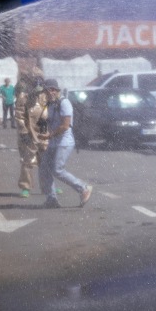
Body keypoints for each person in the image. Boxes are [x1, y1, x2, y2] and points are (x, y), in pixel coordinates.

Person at [37, 79, 92, 208]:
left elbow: (65, 126)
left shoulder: (64, 103)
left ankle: (83, 188)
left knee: (57, 169)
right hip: (53, 141)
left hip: (64, 142)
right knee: (44, 168)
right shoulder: (49, 104)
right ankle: (51, 199)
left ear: (55, 90)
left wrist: (49, 135)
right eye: (46, 91)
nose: (47, 93)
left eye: (50, 90)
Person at [15, 68, 49, 198]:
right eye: (35, 79)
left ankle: (48, 186)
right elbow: (19, 116)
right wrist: (23, 132)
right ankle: (25, 187)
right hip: (29, 133)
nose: (38, 82)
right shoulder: (23, 97)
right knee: (27, 161)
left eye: (39, 79)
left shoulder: (45, 96)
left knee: (46, 161)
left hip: (43, 133)